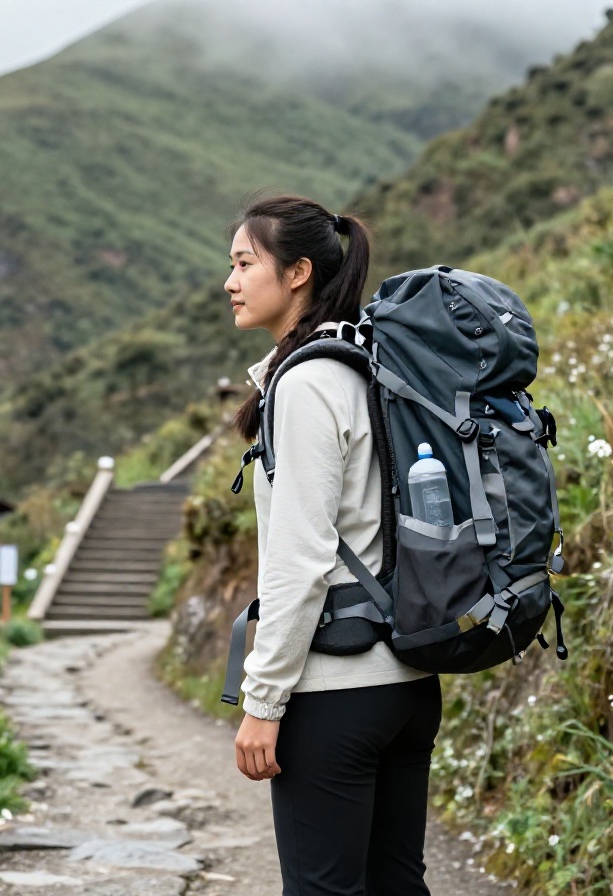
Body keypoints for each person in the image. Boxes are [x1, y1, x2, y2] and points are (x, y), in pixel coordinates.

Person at [223, 193, 442, 895]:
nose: (230, 281)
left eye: (244, 262)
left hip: (338, 690)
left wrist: (263, 703)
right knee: (396, 886)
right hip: (408, 684)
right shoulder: (366, 365)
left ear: (297, 274)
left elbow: (301, 558)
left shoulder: (308, 382)